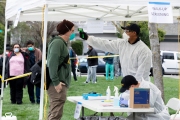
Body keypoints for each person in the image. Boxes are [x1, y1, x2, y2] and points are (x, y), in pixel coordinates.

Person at [79, 23, 152, 81]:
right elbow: (105, 44)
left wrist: (135, 85)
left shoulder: (144, 50)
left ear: (134, 33)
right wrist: (88, 38)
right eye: (125, 31)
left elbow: (142, 73)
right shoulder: (122, 44)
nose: (124, 33)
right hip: (127, 83)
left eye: (127, 31)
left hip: (141, 86)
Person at [47, 19, 74, 120]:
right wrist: (56, 82)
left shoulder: (61, 43)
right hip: (57, 83)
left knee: (55, 113)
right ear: (67, 31)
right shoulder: (58, 43)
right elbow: (52, 63)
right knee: (55, 114)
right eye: (72, 30)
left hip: (60, 82)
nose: (73, 33)